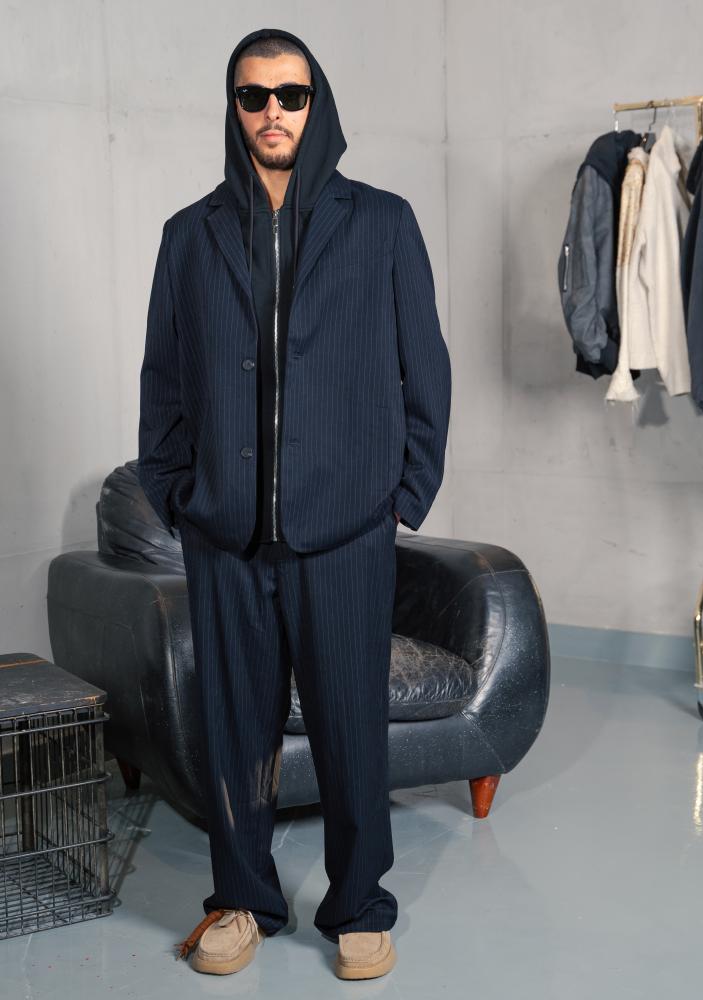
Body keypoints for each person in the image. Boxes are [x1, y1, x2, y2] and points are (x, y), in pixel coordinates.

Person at [137, 27, 451, 981]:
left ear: (317, 103)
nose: (272, 111)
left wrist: (401, 497)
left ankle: (359, 905)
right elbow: (164, 381)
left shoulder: (382, 222)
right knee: (235, 730)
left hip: (345, 532)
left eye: (290, 94)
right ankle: (240, 899)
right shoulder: (187, 236)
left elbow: (425, 370)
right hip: (226, 534)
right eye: (253, 96)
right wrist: (177, 495)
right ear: (234, 109)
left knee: (352, 726)